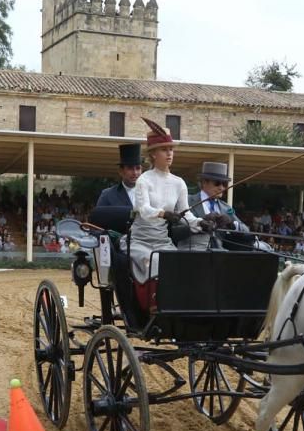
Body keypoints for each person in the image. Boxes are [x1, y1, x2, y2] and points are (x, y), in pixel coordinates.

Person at [126, 118, 205, 308]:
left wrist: (203, 223)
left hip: (163, 242)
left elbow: (187, 215)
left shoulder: (179, 183)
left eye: (171, 149)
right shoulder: (144, 180)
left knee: (182, 266)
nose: (169, 153)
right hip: (140, 242)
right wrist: (164, 214)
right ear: (153, 154)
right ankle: (154, 307)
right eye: (164, 149)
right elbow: (143, 210)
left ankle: (180, 306)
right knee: (156, 263)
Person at [179, 162, 256, 251]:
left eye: (224, 184)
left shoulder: (226, 208)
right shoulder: (187, 201)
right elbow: (175, 231)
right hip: (190, 252)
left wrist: (232, 224)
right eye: (217, 183)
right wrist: (200, 223)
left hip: (219, 254)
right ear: (204, 182)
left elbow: (247, 232)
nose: (221, 188)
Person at [97, 143, 144, 208]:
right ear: (121, 171)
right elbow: (99, 217)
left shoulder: (150, 193)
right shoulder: (107, 195)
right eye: (130, 168)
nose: (135, 173)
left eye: (138, 168)